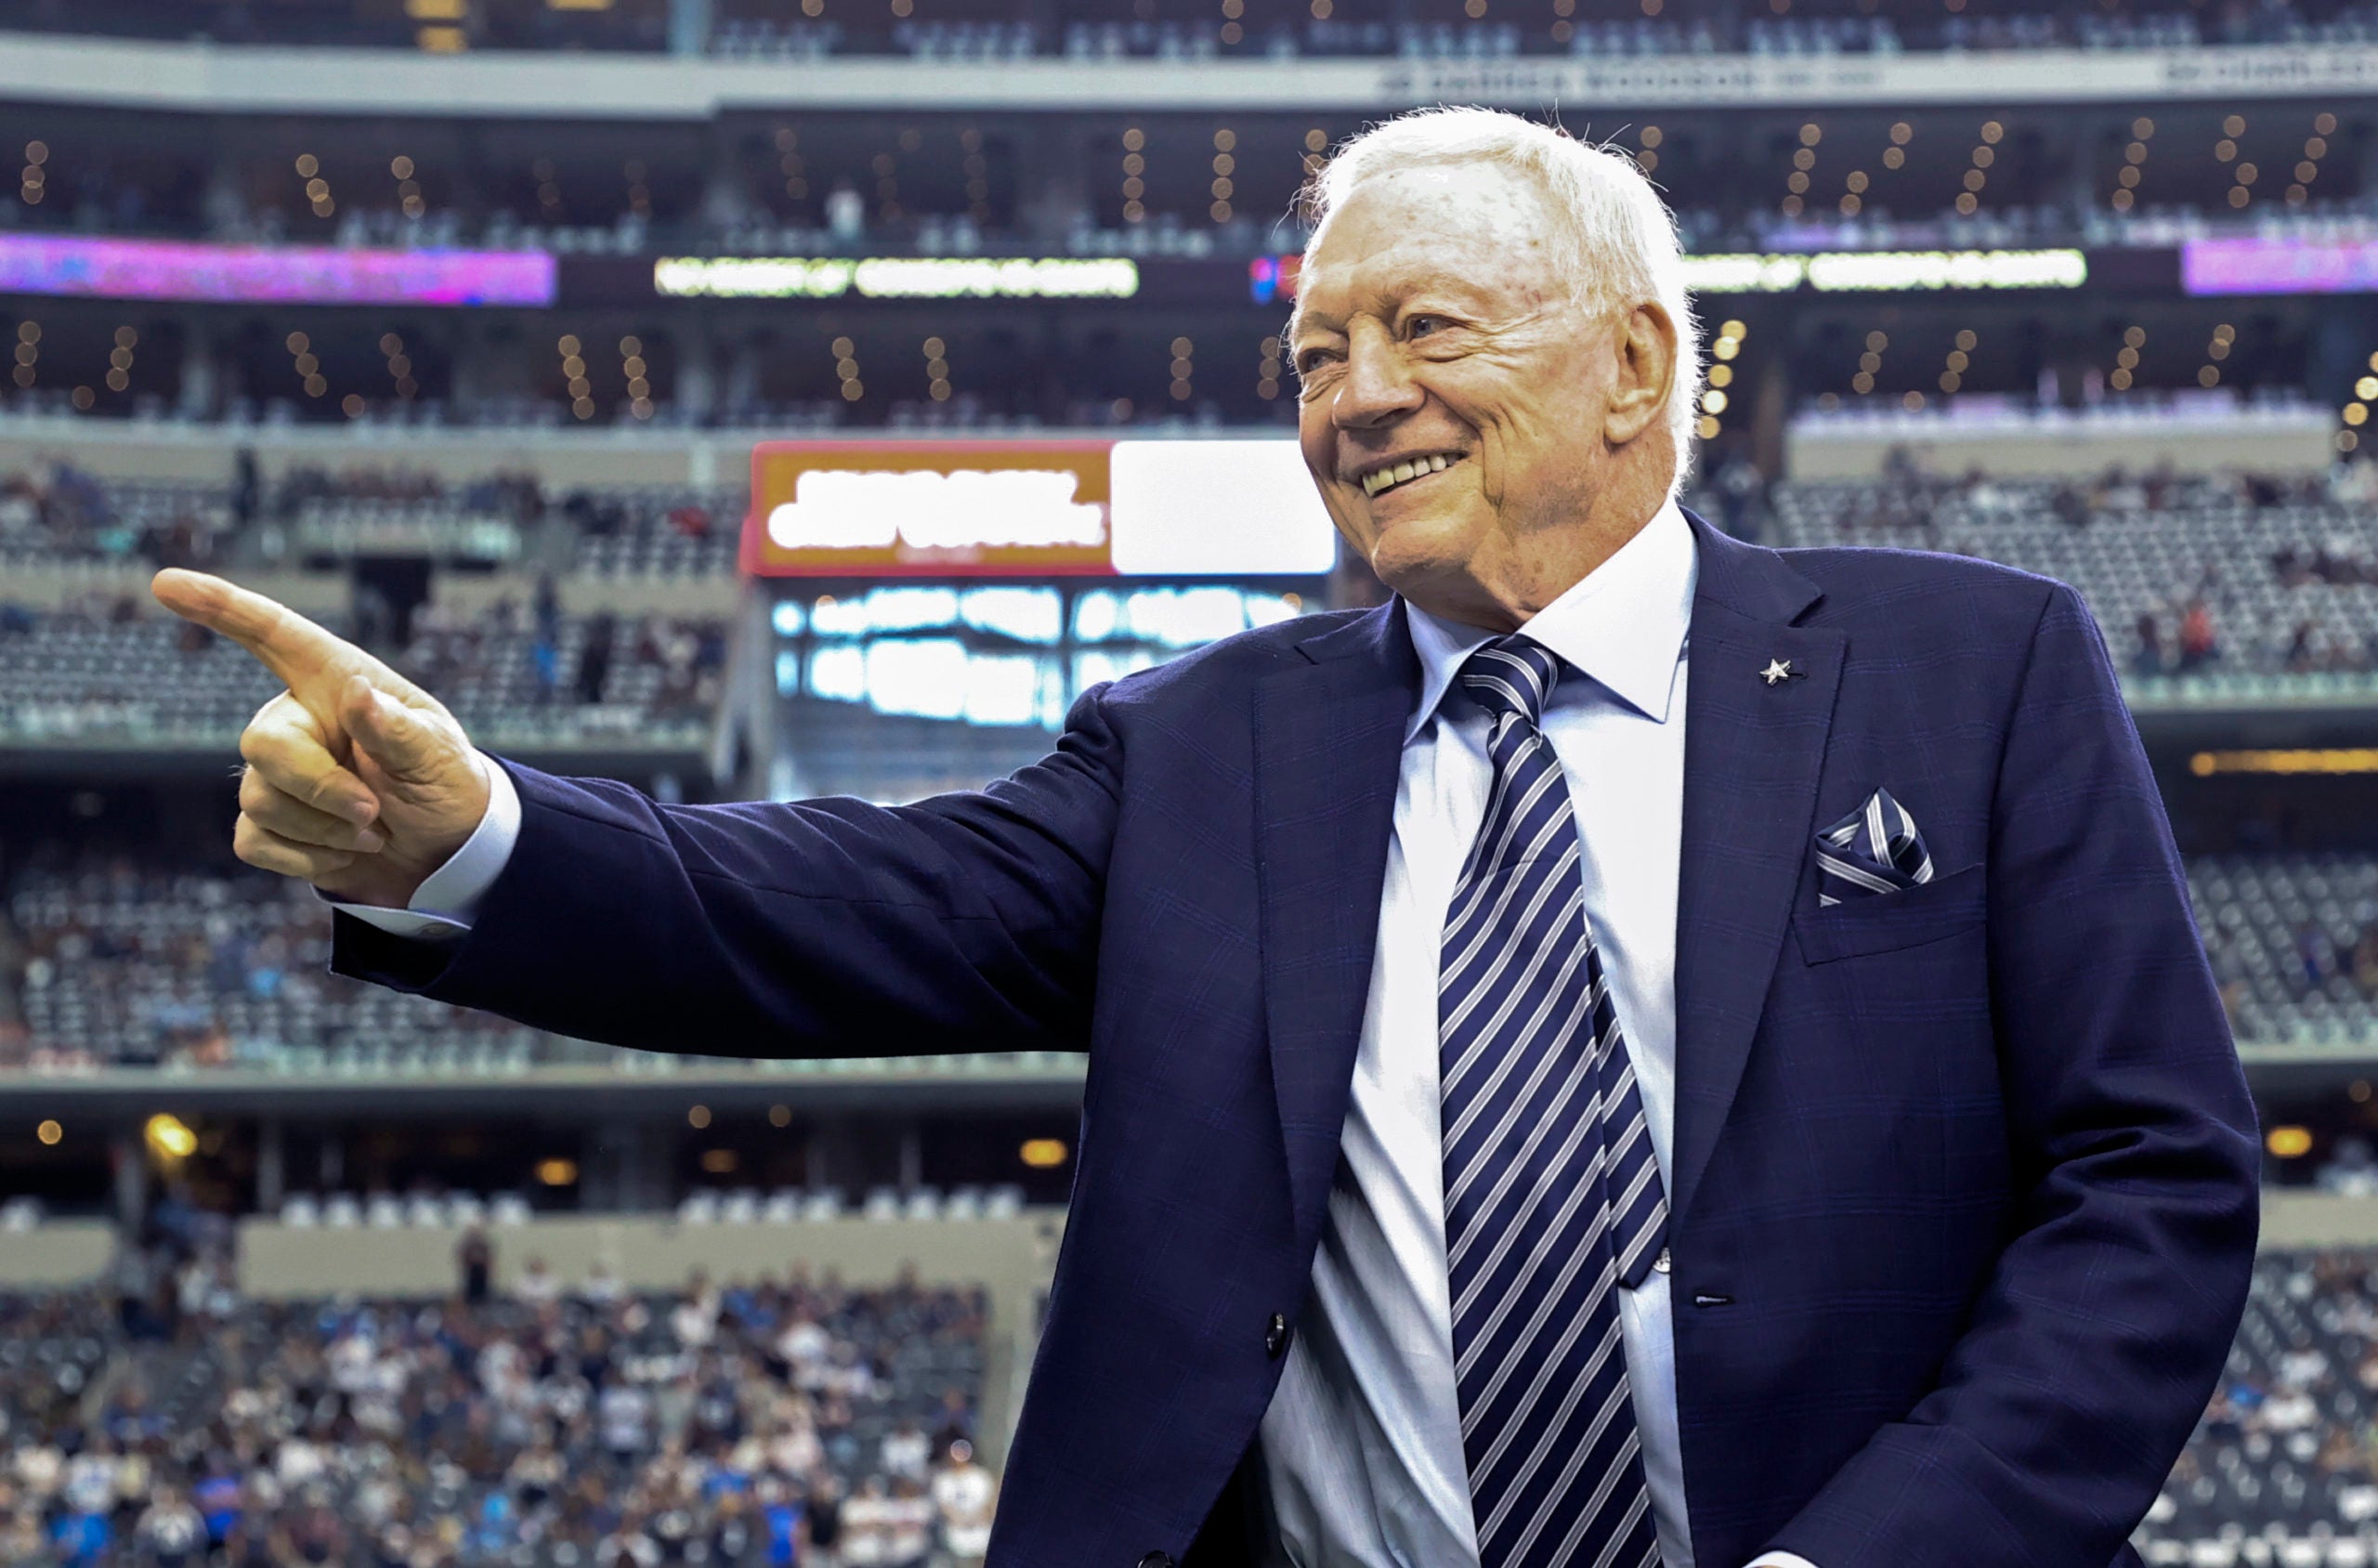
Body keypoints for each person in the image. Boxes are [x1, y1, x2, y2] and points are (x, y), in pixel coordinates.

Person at [157, 106, 2256, 1567]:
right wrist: (480, 839)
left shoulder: (1967, 668)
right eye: (1313, 354)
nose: (1350, 399)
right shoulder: (1200, 750)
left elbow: (2150, 1185)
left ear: (1635, 370)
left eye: (1424, 329)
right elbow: (825, 910)